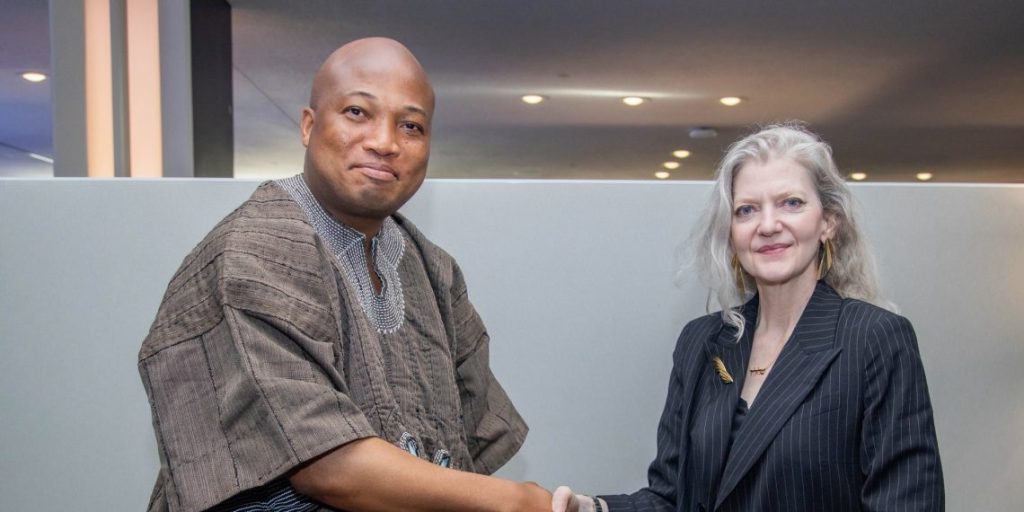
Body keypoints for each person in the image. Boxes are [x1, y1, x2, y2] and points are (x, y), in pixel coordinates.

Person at [138, 38, 551, 512]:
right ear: (309, 126)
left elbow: (466, 443)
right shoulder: (255, 249)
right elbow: (325, 467)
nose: (385, 142)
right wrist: (515, 501)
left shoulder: (433, 268)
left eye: (411, 126)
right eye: (357, 112)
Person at [553, 123, 944, 511]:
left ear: (828, 222)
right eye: (747, 210)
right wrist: (590, 509)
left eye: (791, 203)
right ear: (731, 233)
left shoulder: (874, 338)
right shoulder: (702, 342)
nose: (768, 225)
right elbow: (671, 497)